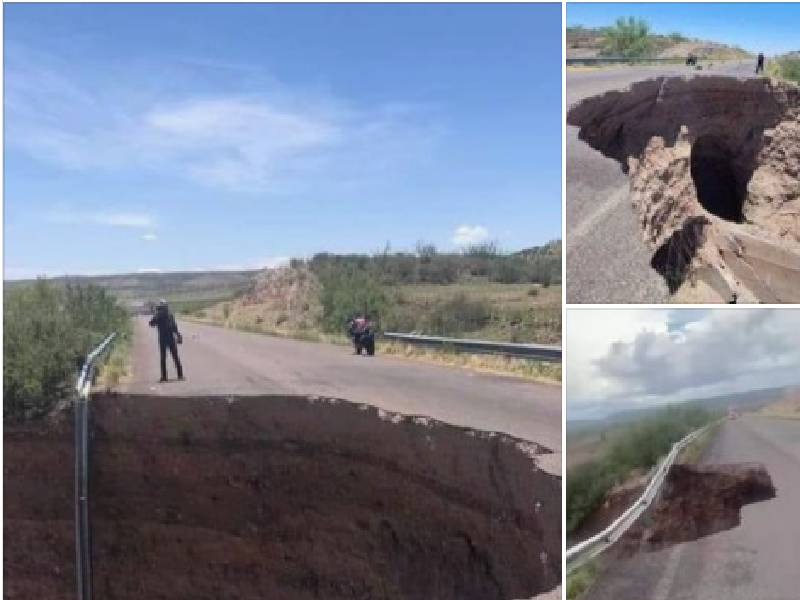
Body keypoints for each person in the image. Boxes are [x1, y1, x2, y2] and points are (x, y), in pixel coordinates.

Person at [149, 299, 184, 382]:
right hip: (170, 338)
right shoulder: (170, 314)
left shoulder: (158, 315)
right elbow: (174, 327)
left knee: (163, 358)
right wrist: (178, 335)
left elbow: (151, 324)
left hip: (163, 339)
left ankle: (164, 377)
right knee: (175, 357)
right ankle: (180, 375)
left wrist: (155, 314)